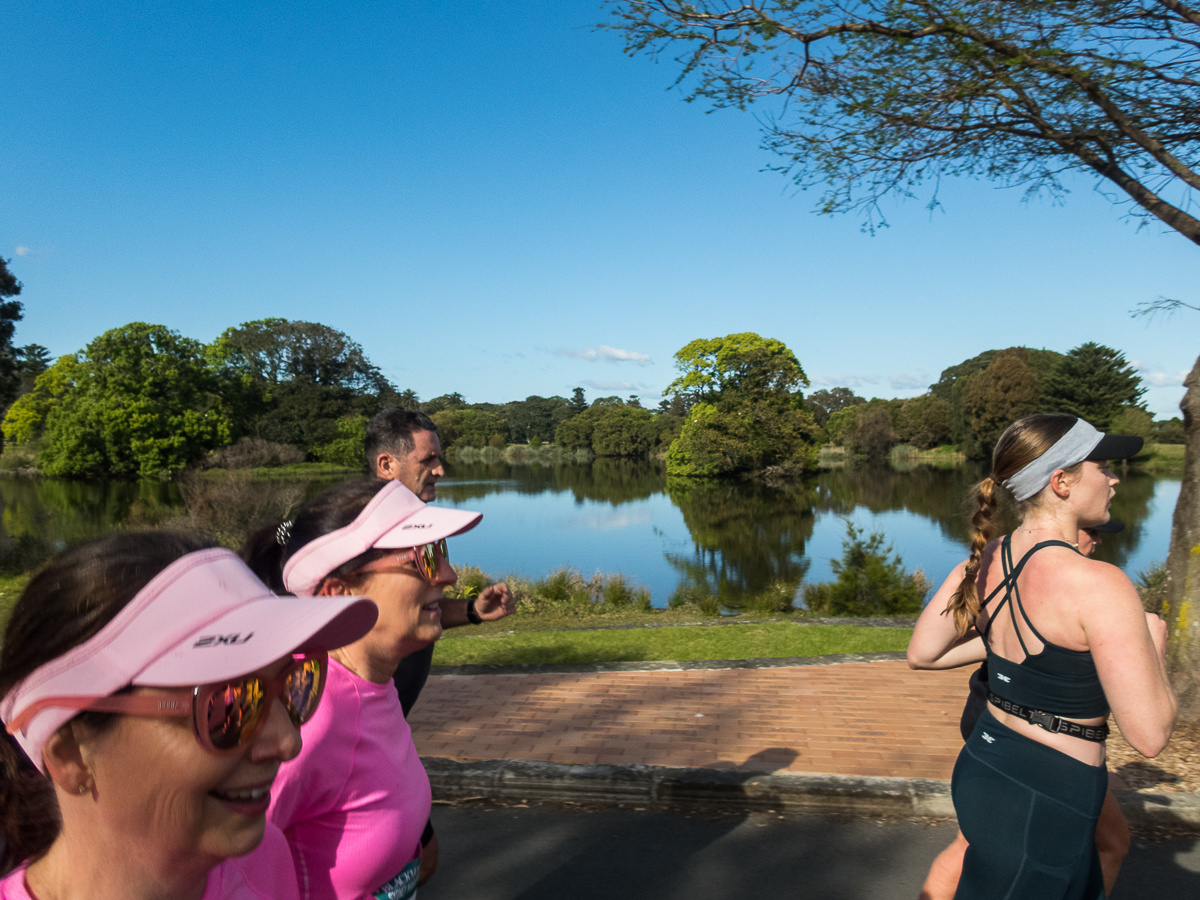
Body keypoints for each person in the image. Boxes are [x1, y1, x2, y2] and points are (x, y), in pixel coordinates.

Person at [0, 531, 378, 900]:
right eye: (227, 705)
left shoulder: (265, 858)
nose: (288, 742)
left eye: (298, 683)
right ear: (70, 755)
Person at [907, 413, 1174, 900]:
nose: (1114, 479)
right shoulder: (1099, 584)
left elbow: (923, 653)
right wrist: (1152, 651)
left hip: (984, 762)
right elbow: (1150, 735)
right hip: (1050, 793)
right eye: (1103, 468)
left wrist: (1016, 645)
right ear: (1062, 482)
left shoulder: (990, 557)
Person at [243, 478, 483, 900]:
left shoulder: (374, 684)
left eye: (441, 553)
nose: (448, 575)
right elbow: (217, 871)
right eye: (423, 558)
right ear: (339, 592)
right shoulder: (306, 716)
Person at [911, 521, 1131, 900]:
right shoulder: (1033, 574)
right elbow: (1150, 733)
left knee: (979, 850)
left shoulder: (1024, 568)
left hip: (1003, 740)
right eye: (1092, 531)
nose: (1096, 541)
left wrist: (1007, 641)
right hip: (1012, 733)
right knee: (1108, 844)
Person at [365, 408, 515, 886]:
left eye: (440, 459)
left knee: (415, 862)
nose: (441, 470)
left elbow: (423, 608)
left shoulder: (424, 526)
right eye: (430, 460)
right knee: (402, 862)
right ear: (387, 465)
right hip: (359, 728)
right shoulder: (355, 534)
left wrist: (470, 610)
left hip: (393, 726)